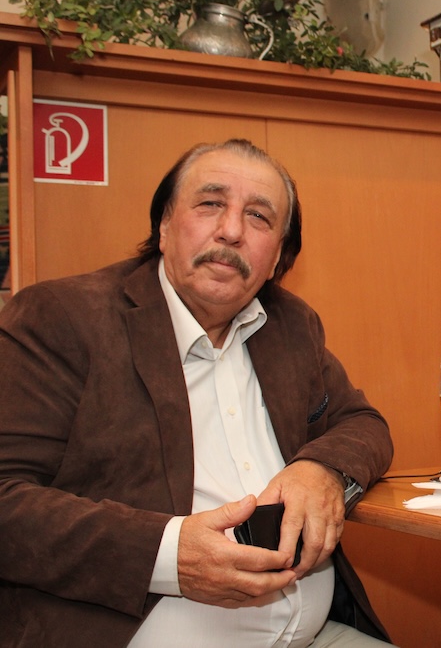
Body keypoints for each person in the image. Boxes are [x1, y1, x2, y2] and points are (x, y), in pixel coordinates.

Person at [0, 139, 394, 647]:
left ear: (277, 256)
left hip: (314, 635)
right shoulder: (63, 318)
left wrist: (321, 469)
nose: (231, 230)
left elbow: (364, 424)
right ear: (164, 226)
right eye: (210, 203)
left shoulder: (291, 325)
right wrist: (167, 556)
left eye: (258, 216)